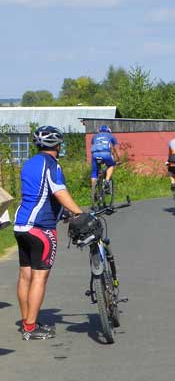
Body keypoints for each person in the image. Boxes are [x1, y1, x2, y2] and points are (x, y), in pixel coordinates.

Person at [13, 126, 83, 340]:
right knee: (39, 277)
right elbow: (58, 191)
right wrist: (80, 213)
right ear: (58, 145)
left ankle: (26, 322)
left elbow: (38, 193)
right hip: (41, 228)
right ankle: (31, 328)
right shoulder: (51, 164)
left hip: (21, 225)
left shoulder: (29, 163)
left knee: (25, 276)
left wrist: (61, 213)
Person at [90, 125, 120, 201]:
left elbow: (94, 145)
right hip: (106, 154)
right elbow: (115, 149)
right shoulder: (111, 136)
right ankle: (106, 181)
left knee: (94, 173)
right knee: (111, 165)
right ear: (109, 131)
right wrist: (118, 159)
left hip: (95, 155)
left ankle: (94, 189)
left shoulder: (94, 136)